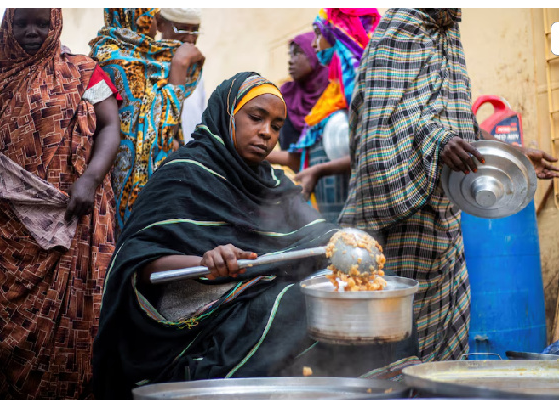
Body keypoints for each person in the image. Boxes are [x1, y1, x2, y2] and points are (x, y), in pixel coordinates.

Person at [92, 72, 415, 400]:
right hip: (199, 322)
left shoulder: (275, 181)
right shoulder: (183, 173)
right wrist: (204, 262)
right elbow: (139, 260)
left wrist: (348, 240)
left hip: (259, 297)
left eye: (276, 126)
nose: (266, 133)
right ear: (226, 114)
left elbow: (316, 231)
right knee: (302, 306)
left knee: (369, 296)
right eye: (256, 118)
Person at [339, 8, 559, 367]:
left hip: (445, 231)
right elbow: (380, 124)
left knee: (446, 360)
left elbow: (459, 121)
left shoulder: (450, 36)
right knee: (388, 355)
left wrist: (511, 155)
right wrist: (437, 142)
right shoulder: (398, 31)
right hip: (397, 233)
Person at [0, 8, 121, 399]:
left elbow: (110, 126)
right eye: (22, 23)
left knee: (78, 324)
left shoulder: (85, 71)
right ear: (7, 26)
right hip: (7, 233)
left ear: (56, 24)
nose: (32, 31)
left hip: (75, 217)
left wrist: (90, 179)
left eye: (42, 23)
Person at [89, 8, 204, 235]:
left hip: (157, 172)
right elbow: (160, 129)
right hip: (119, 176)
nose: (157, 22)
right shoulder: (115, 59)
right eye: (153, 15)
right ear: (136, 16)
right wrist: (179, 70)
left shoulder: (153, 57)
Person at [269, 8, 380, 224]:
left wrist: (319, 170)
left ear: (338, 34)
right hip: (330, 217)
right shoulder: (333, 94)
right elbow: (306, 155)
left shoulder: (363, 89)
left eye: (318, 34)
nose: (313, 44)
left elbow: (371, 150)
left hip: (362, 219)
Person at [278, 32, 328, 151]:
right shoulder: (285, 96)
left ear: (314, 53)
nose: (290, 61)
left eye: (298, 53)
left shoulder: (337, 91)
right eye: (290, 55)